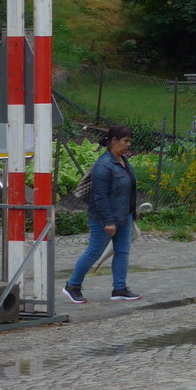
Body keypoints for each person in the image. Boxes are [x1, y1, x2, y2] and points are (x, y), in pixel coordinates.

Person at [63, 125, 142, 303]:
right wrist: (108, 221)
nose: (129, 144)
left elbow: (127, 188)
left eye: (129, 141)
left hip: (124, 215)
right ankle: (72, 285)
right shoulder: (103, 165)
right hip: (103, 218)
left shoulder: (123, 160)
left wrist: (133, 210)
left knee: (122, 251)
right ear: (114, 141)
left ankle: (119, 288)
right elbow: (100, 196)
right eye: (126, 141)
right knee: (94, 251)